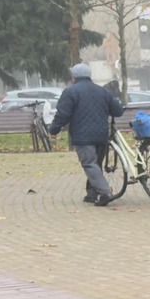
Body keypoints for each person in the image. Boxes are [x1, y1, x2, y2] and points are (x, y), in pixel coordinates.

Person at [51, 64, 123, 207]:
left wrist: (54, 129)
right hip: (102, 135)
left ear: (74, 77)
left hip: (83, 136)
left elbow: (63, 114)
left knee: (90, 164)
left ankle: (105, 192)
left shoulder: (70, 92)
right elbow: (118, 111)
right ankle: (92, 194)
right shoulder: (102, 91)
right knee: (96, 165)